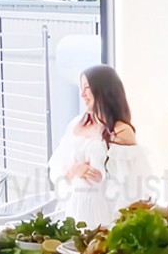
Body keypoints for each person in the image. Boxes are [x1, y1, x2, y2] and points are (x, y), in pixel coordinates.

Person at [48, 65, 151, 227]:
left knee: (93, 248)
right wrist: (75, 170)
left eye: (87, 88)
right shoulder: (76, 124)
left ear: (104, 91)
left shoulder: (121, 132)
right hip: (74, 208)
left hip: (100, 213)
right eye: (81, 88)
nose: (82, 94)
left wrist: (103, 179)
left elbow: (131, 186)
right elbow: (58, 171)